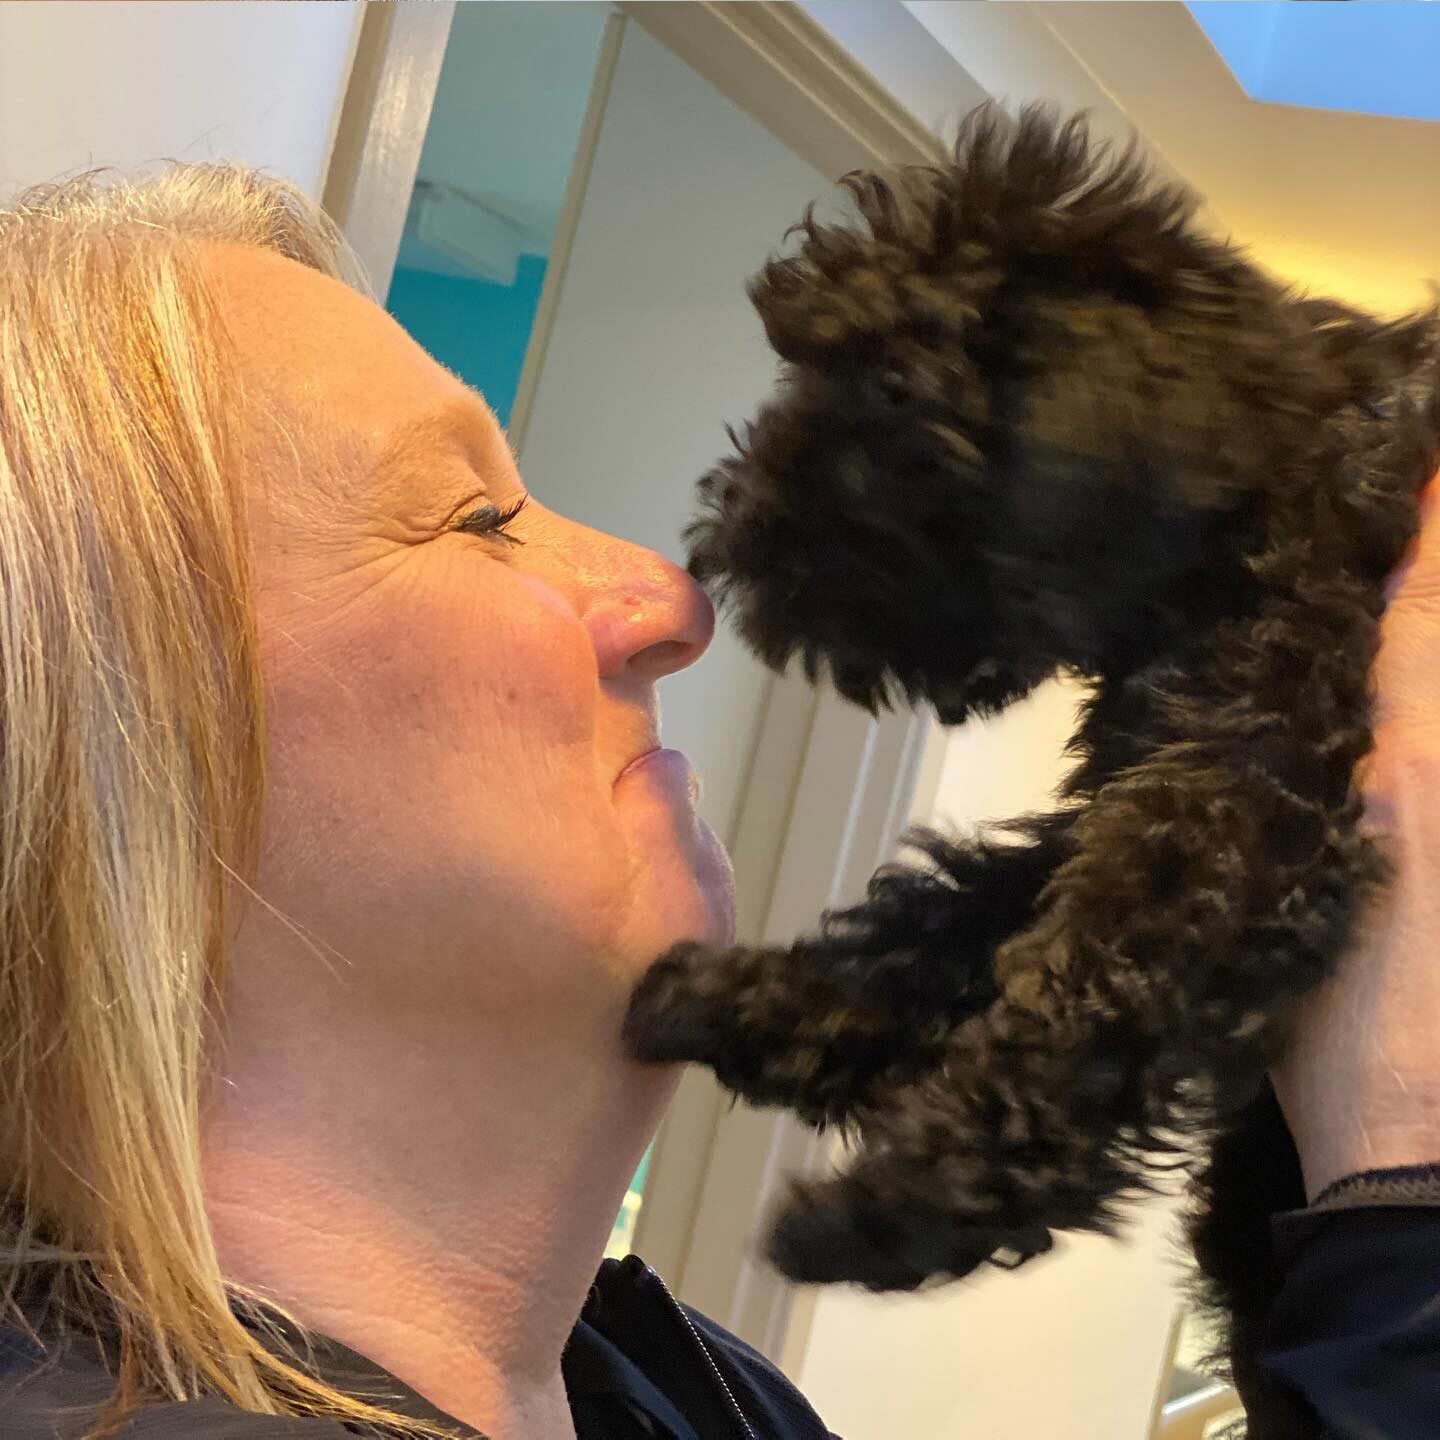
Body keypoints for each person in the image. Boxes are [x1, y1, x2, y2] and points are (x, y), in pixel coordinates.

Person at [0, 164, 1431, 1440]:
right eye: (474, 517)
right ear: (106, 768)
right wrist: (1400, 1201)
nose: (671, 596)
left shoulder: (692, 1393)